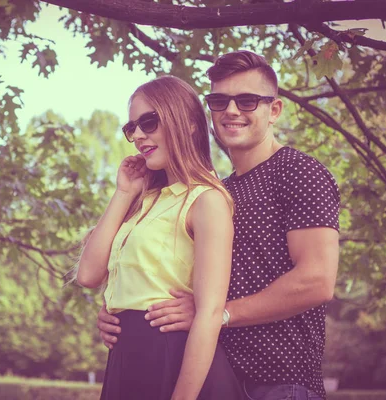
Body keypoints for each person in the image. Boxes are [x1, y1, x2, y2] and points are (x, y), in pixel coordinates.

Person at [97, 51, 340, 400]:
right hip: (216, 376)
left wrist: (217, 313)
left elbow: (316, 282)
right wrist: (120, 312)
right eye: (219, 100)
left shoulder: (298, 172)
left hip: (278, 383)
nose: (231, 111)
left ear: (274, 110)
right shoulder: (217, 192)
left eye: (247, 100)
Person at [76, 75, 243, 400]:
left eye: (149, 122)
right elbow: (88, 275)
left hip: (174, 360)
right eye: (132, 128)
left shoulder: (206, 200)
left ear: (188, 123)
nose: (137, 135)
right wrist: (123, 193)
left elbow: (209, 314)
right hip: (128, 360)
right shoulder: (145, 200)